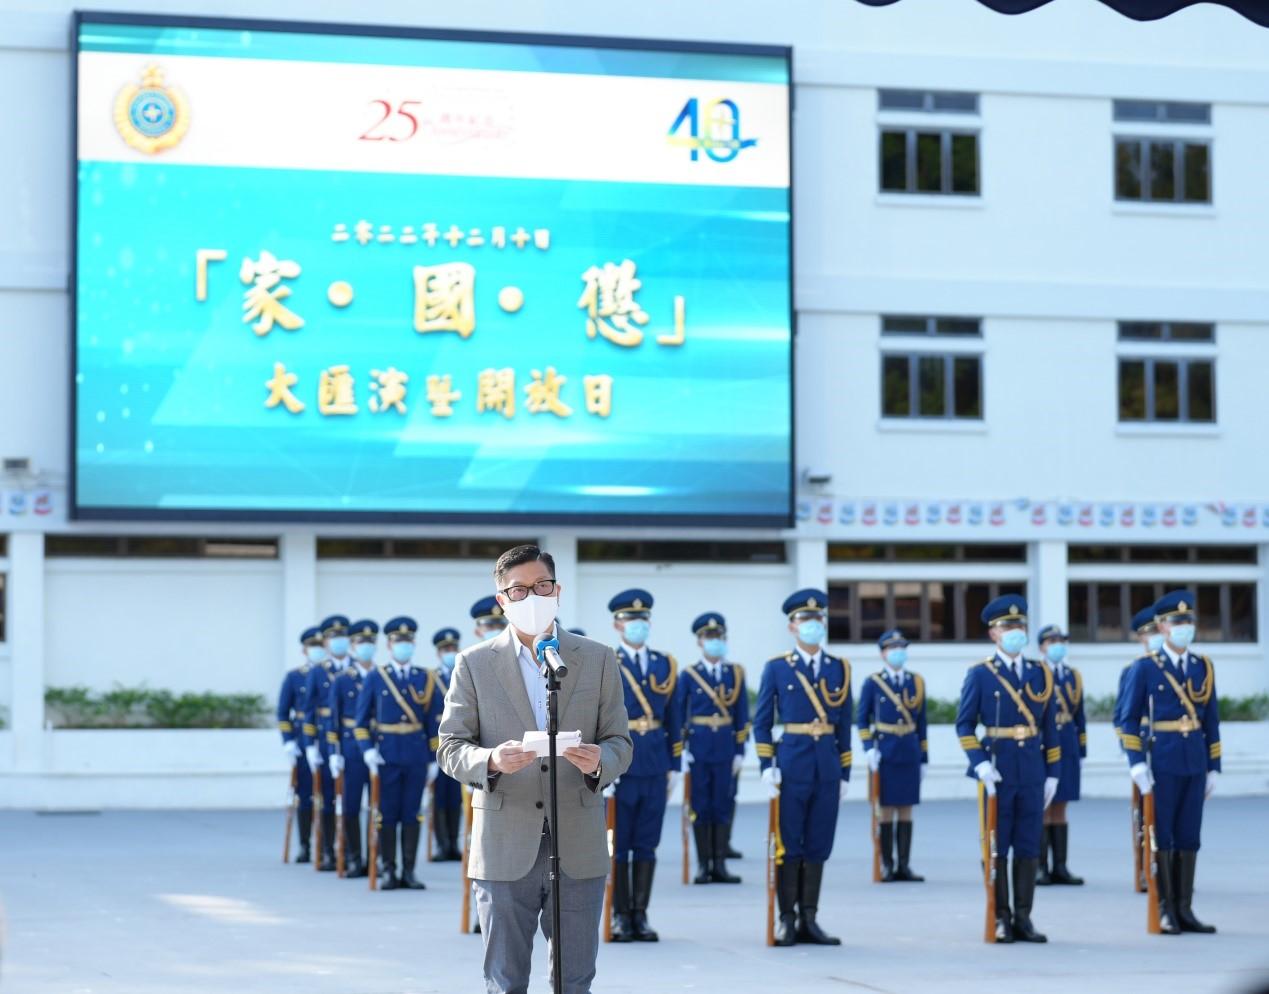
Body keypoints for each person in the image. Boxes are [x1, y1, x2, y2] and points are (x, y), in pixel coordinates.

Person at [437, 544, 633, 994]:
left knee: (574, 980)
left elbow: (621, 741)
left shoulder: (597, 658)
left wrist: (600, 759)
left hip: (578, 843)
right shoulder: (474, 663)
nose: (532, 597)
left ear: (557, 591)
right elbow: (450, 747)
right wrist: (489, 760)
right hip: (505, 845)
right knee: (505, 981)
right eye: (519, 590)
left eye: (541, 586)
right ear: (502, 601)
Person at [956, 594, 1060, 944]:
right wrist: (980, 764)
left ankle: (1023, 917)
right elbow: (965, 725)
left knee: (1029, 845)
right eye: (1007, 627)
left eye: (1019, 626)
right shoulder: (981, 674)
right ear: (993, 634)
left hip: (1031, 768)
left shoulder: (1040, 673)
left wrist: (1053, 772)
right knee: (997, 845)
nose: (1015, 632)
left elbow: (1051, 727)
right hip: (997, 769)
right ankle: (999, 916)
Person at [1119, 590, 1221, 935]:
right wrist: (1136, 764)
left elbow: (1211, 722)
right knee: (1162, 836)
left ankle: (1185, 908)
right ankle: (1164, 908)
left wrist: (1214, 766)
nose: (1184, 628)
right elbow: (1128, 720)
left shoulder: (1202, 666)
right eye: (1177, 623)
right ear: (1162, 627)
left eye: (1188, 621)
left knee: (1189, 836)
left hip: (1194, 759)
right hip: (1160, 760)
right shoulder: (1145, 668)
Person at [754, 589, 853, 947]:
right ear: (792, 627)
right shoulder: (778, 667)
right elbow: (762, 721)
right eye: (805, 621)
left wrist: (845, 771)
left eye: (817, 620)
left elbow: (845, 725)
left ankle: (810, 917)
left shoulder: (839, 668)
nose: (813, 626)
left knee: (818, 844)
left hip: (827, 765)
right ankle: (787, 918)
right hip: (792, 765)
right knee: (788, 845)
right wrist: (767, 764)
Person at [606, 588, 683, 942]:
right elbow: (598, 718)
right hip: (622, 762)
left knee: (647, 843)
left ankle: (641, 913)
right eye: (630, 619)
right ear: (617, 624)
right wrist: (603, 768)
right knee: (620, 843)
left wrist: (676, 763)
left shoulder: (665, 664)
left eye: (642, 619)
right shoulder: (606, 662)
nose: (637, 625)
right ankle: (621, 915)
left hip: (655, 761)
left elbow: (674, 716)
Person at [353, 616, 442, 890]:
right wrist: (367, 750)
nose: (403, 647)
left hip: (416, 755)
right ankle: (389, 870)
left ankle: (409, 871)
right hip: (387, 754)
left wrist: (433, 758)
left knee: (412, 814)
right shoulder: (376, 677)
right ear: (389, 646)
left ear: (413, 645)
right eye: (397, 642)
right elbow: (361, 721)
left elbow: (434, 722)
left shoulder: (425, 677)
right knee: (387, 814)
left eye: (407, 642)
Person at [674, 611, 748, 885]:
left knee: (722, 804)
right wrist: (681, 749)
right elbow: (679, 714)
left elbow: (741, 713)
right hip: (700, 747)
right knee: (701, 806)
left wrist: (741, 749)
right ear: (699, 642)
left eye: (718, 637)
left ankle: (720, 864)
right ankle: (704, 865)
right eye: (709, 637)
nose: (714, 642)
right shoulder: (690, 675)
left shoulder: (735, 673)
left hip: (726, 747)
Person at [857, 628, 928, 882]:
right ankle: (887, 864)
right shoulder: (873, 683)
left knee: (906, 809)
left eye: (902, 648)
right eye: (892, 648)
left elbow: (922, 723)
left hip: (908, 750)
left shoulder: (916, 682)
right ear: (883, 653)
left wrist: (924, 758)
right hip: (885, 751)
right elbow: (862, 719)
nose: (898, 652)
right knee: (885, 809)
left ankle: (904, 865)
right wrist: (868, 748)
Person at [1035, 624, 1085, 886]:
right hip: (1044, 742)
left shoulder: (1072, 676)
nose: (1057, 645)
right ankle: (1040, 866)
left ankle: (1061, 866)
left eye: (1061, 640)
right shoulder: (1035, 673)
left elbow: (1080, 716)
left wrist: (1082, 749)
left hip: (1067, 741)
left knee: (1061, 805)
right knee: (1044, 805)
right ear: (1042, 646)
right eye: (1052, 641)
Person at [327, 618, 377, 878]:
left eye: (370, 642)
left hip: (377, 747)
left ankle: (374, 858)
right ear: (353, 646)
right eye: (360, 642)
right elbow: (332, 719)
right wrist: (334, 753)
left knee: (377, 806)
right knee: (351, 806)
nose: (365, 647)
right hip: (350, 748)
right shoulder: (342, 679)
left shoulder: (382, 676)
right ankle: (354, 857)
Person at [300, 613, 350, 872]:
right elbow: (308, 711)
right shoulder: (318, 672)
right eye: (333, 637)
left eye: (342, 636)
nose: (338, 641)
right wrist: (309, 745)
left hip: (353, 742)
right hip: (324, 741)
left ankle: (352, 853)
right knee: (328, 799)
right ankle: (329, 850)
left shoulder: (360, 670)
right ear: (326, 642)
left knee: (350, 801)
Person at [1118, 604, 1163, 892]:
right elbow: (1121, 717)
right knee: (1143, 817)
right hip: (1143, 748)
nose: (1155, 637)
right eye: (1150, 633)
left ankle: (1169, 871)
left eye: (1158, 631)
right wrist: (1132, 756)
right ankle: (1145, 868)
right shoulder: (1133, 669)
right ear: (1141, 638)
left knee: (1169, 816)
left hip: (1169, 747)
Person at [277, 625, 322, 863]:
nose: (317, 650)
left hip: (325, 740)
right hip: (302, 743)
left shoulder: (332, 674)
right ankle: (305, 845)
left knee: (329, 796)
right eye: (312, 646)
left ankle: (327, 844)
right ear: (304, 650)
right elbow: (283, 714)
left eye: (320, 646)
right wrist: (288, 743)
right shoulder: (295, 677)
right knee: (305, 795)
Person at [430, 627, 464, 861]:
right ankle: (442, 844)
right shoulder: (431, 679)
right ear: (438, 653)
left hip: (461, 743)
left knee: (456, 797)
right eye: (445, 649)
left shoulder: (464, 673)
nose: (450, 653)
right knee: (439, 797)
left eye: (453, 648)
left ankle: (454, 842)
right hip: (438, 745)